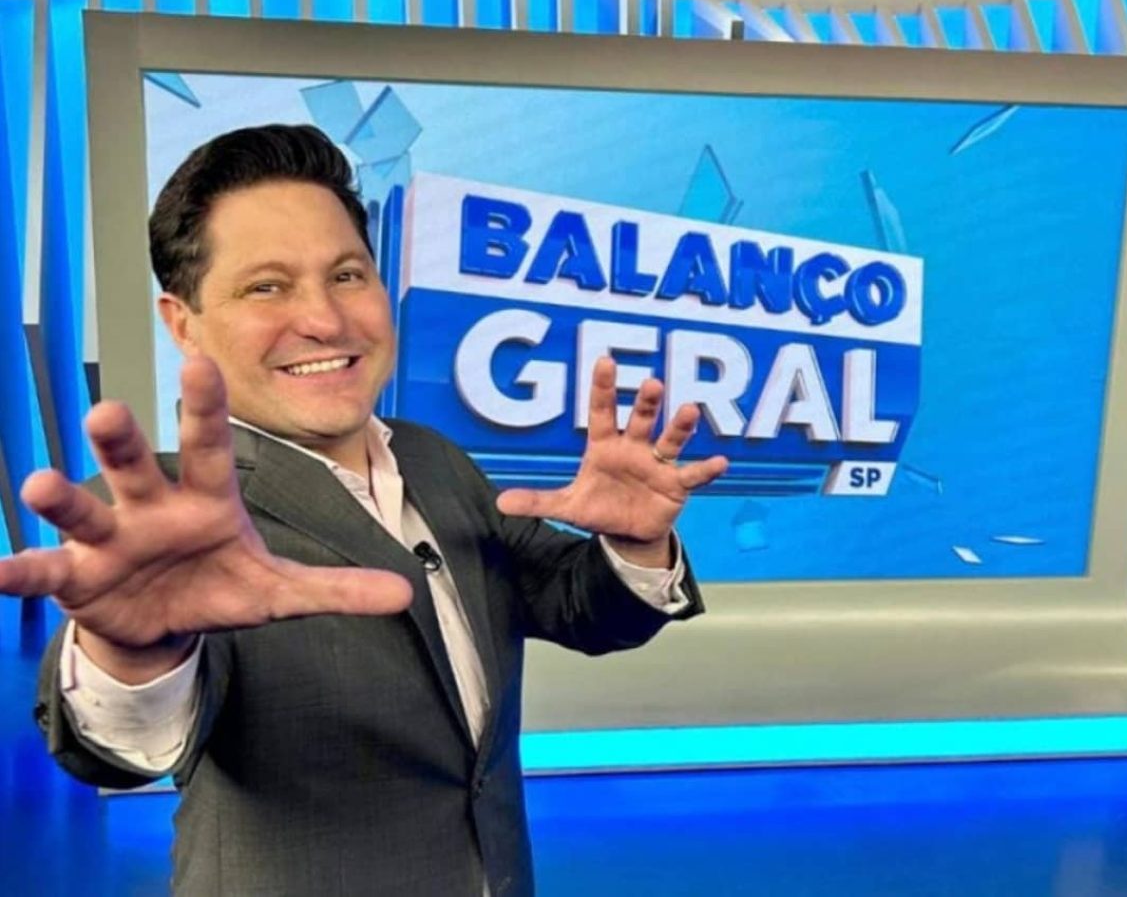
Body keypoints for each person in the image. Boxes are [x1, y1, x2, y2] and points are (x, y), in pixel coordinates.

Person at [0, 124, 728, 895]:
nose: (324, 319)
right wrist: (138, 656)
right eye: (266, 287)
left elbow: (579, 608)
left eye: (347, 275)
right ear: (184, 323)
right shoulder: (159, 516)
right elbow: (119, 750)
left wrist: (634, 546)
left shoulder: (435, 461)